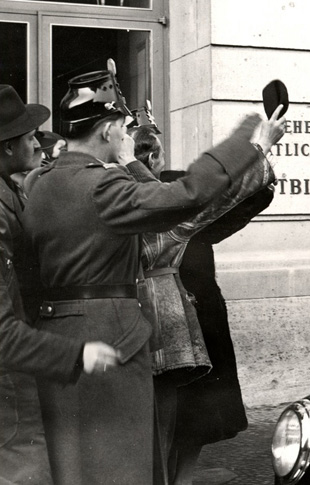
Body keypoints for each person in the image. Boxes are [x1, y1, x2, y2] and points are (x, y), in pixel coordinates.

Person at [21, 63, 268, 484]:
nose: (124, 138)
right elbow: (187, 195)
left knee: (74, 464)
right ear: (107, 131)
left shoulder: (37, 183)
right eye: (122, 129)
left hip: (55, 338)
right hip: (111, 334)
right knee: (123, 462)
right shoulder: (101, 186)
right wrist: (251, 141)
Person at [127, 113, 282, 485]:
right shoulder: (170, 195)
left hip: (160, 317)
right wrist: (259, 152)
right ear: (149, 159)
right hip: (185, 315)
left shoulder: (120, 194)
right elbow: (236, 198)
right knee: (187, 416)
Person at [0, 84, 120, 485]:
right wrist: (76, 354)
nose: (38, 144)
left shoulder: (13, 191)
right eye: (29, 137)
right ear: (6, 148)